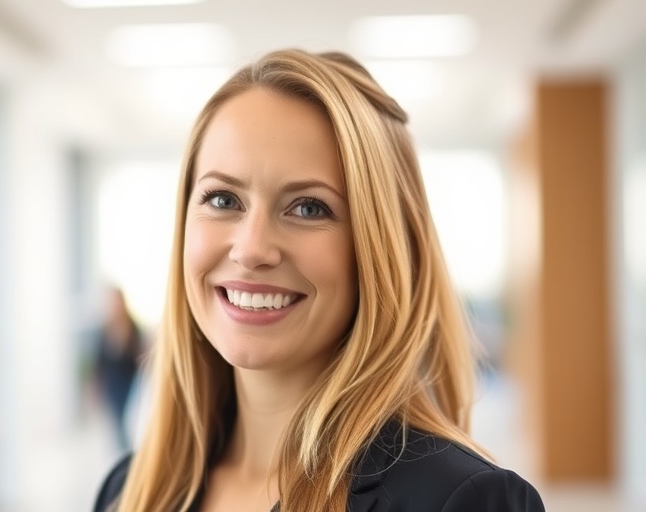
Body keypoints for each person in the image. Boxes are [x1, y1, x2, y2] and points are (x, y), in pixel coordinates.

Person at [93, 49, 544, 511]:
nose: (251, 249)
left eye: (309, 207)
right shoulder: (126, 491)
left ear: (379, 249)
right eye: (223, 199)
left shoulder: (463, 501)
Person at [92, 285, 144, 451]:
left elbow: (139, 358)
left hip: (129, 385)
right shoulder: (105, 329)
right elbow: (99, 362)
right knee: (116, 427)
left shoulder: (132, 327)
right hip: (112, 388)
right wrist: (94, 388)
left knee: (129, 423)